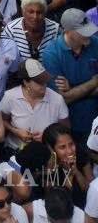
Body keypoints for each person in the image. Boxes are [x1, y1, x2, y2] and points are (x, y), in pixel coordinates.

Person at [42, 8, 98, 141]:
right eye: (82, 32)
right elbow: (62, 99)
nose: (88, 35)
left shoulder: (95, 43)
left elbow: (68, 96)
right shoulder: (51, 53)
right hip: (71, 126)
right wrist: (93, 82)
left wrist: (72, 89)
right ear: (68, 31)